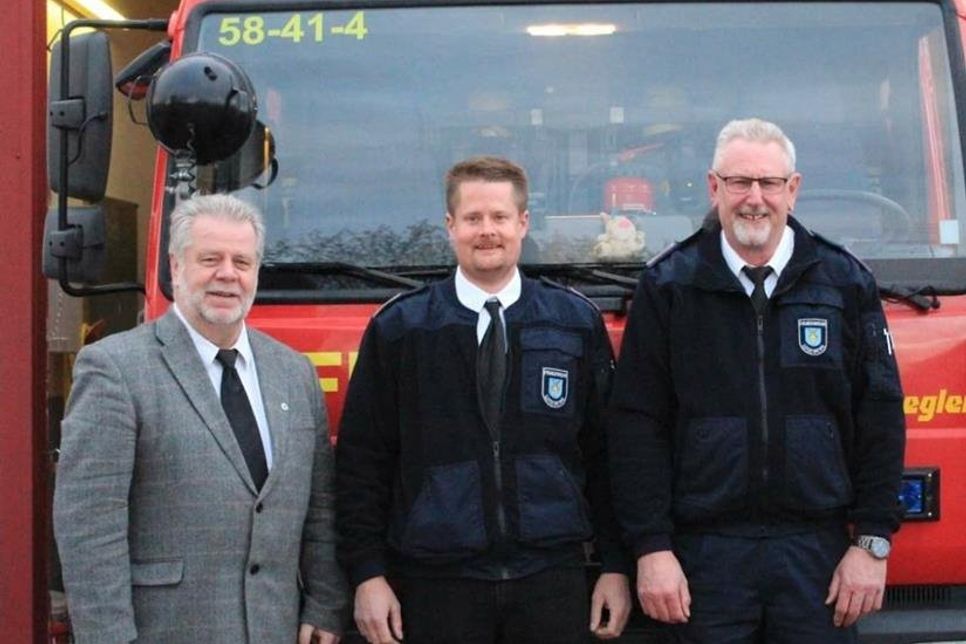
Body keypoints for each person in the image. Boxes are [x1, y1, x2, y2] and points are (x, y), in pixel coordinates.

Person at [607, 118, 906, 643]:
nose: (754, 198)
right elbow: (637, 425)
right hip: (704, 558)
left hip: (817, 556)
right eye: (739, 182)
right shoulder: (668, 286)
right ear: (713, 187)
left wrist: (873, 542)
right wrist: (651, 548)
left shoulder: (845, 283)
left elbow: (879, 416)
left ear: (793, 189)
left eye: (769, 183)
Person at [335, 156, 631, 644]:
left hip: (551, 580)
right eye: (473, 219)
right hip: (438, 585)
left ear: (523, 223)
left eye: (499, 217)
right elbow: (363, 463)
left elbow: (605, 456)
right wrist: (368, 575)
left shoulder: (573, 323)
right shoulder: (401, 330)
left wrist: (617, 565)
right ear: (450, 226)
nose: (486, 231)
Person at [53, 194, 347, 643]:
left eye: (242, 262)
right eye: (210, 259)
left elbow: (322, 507)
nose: (227, 274)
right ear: (176, 266)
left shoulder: (295, 372)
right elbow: (89, 528)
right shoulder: (114, 369)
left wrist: (326, 605)